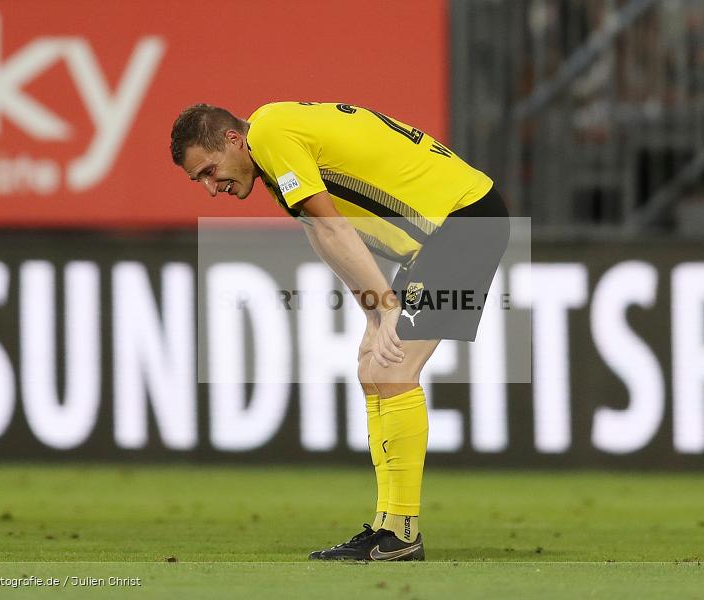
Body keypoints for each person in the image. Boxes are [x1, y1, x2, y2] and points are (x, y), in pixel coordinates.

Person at [170, 101, 509, 561]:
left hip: (465, 222)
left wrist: (386, 304)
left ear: (233, 139)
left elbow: (332, 225)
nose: (212, 188)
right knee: (373, 368)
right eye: (201, 181)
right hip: (443, 234)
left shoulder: (269, 133)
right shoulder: (273, 157)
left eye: (209, 171)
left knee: (392, 369)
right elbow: (321, 231)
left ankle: (403, 533)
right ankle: (388, 526)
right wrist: (374, 311)